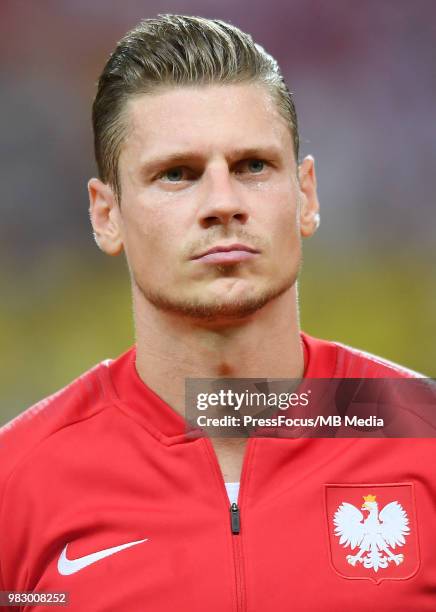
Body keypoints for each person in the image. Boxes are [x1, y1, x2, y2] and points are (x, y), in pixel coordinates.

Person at [0, 14, 434, 612]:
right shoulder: (17, 483)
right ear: (107, 215)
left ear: (305, 196)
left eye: (253, 166)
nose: (223, 203)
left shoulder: (425, 441)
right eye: (176, 175)